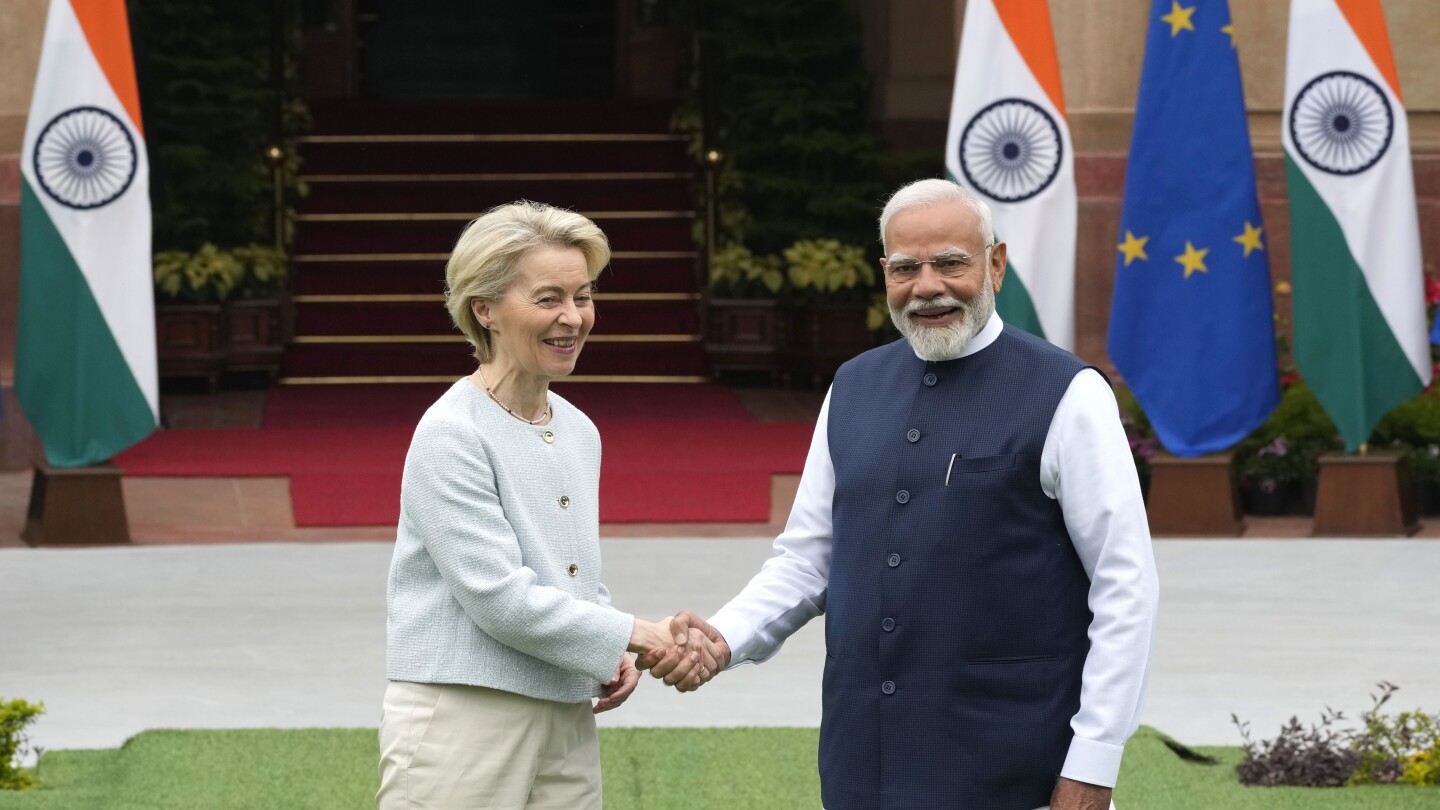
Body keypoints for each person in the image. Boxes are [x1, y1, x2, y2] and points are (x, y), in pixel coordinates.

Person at [644, 178, 1160, 810]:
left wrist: (1094, 762)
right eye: (906, 268)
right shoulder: (852, 388)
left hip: (1013, 759)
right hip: (863, 755)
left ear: (995, 264)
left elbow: (1125, 585)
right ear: (883, 272)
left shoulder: (1069, 393)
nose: (927, 286)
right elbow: (808, 559)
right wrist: (723, 638)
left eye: (950, 263)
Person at [378, 201, 677, 810]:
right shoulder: (451, 431)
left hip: (565, 711)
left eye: (584, 296)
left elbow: (569, 573)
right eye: (549, 299)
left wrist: (611, 647)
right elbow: (498, 598)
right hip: (463, 717)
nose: (574, 317)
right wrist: (637, 634)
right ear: (483, 309)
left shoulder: (578, 428)